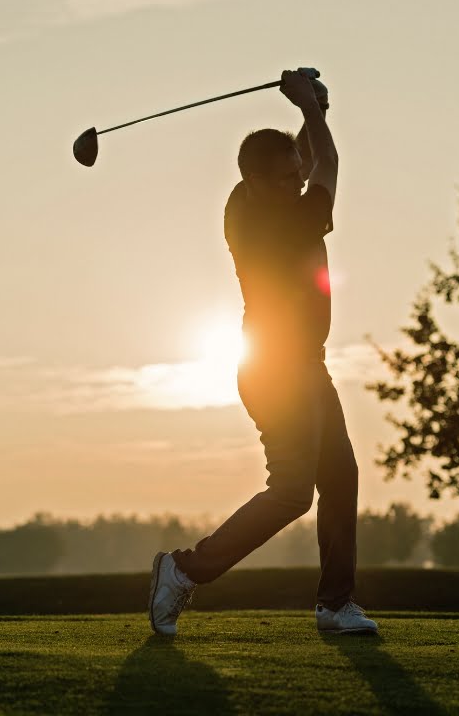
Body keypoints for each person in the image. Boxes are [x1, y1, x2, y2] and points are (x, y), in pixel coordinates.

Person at [148, 68, 377, 637]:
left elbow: (300, 162)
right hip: (278, 369)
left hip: (299, 366)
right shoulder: (289, 219)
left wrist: (306, 115)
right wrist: (316, 114)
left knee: (340, 476)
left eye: (294, 177)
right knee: (294, 491)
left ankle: (335, 603)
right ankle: (184, 569)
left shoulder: (242, 203)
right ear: (255, 182)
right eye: (284, 180)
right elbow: (328, 164)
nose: (296, 184)